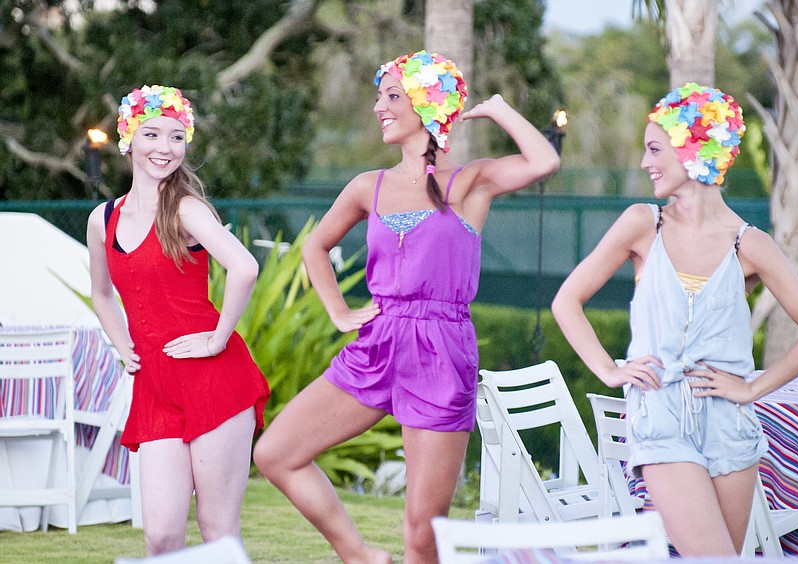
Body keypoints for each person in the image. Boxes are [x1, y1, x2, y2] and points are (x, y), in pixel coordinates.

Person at [253, 50, 560, 563]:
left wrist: (500, 109)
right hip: (377, 344)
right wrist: (339, 312)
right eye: (380, 96)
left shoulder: (469, 182)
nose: (379, 107)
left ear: (427, 105)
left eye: (392, 96)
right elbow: (315, 246)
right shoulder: (365, 186)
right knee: (275, 454)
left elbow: (544, 160)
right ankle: (360, 556)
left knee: (421, 533)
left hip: (441, 351)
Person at [551, 83, 798, 557]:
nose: (645, 163)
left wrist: (750, 389)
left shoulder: (749, 243)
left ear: (695, 149)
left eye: (654, 149)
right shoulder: (644, 223)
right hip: (660, 416)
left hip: (731, 426)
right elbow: (568, 301)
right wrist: (610, 369)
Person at [86, 85, 270, 556]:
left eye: (176, 137)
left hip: (214, 381)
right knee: (162, 535)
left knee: (217, 530)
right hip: (155, 387)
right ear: (128, 138)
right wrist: (120, 342)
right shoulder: (102, 219)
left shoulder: (186, 209)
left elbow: (245, 267)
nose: (164, 148)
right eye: (151, 134)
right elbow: (102, 293)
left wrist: (216, 339)